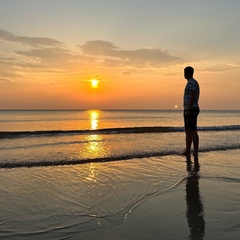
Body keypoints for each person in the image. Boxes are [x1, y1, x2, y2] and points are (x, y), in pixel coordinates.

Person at [182, 66, 200, 157]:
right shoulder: (191, 82)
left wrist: (188, 108)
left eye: (184, 72)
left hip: (191, 109)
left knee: (192, 130)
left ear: (187, 73)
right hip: (189, 109)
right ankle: (187, 151)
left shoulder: (191, 83)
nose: (183, 74)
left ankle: (195, 151)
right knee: (188, 130)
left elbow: (192, 96)